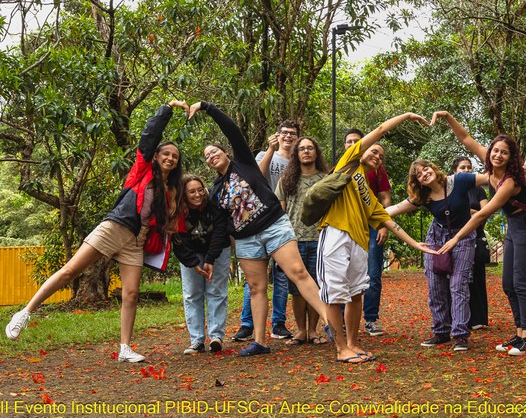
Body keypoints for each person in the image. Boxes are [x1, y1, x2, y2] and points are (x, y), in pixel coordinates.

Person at [6, 101, 188, 363]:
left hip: (136, 239)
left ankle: (125, 347)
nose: (170, 158)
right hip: (115, 227)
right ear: (157, 156)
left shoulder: (170, 190)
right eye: (166, 154)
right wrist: (167, 109)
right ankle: (24, 313)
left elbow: (170, 223)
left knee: (132, 293)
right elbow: (150, 135)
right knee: (71, 271)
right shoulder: (142, 170)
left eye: (175, 156)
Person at [188, 101, 327, 356]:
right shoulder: (216, 191)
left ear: (226, 152)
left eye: (214, 151)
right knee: (256, 288)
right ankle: (260, 342)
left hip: (273, 225)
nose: (211, 156)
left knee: (298, 272)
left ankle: (332, 324)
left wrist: (206, 107)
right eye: (206, 156)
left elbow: (231, 129)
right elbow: (220, 226)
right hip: (246, 239)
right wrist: (209, 258)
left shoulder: (243, 162)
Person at [318, 113, 435, 364]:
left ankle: (352, 343)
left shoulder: (369, 197)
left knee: (357, 293)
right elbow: (381, 127)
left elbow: (388, 221)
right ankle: (341, 348)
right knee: (335, 293)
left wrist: (415, 244)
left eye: (381, 156)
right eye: (374, 151)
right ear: (362, 149)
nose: (377, 156)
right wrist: (407, 116)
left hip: (359, 241)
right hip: (336, 233)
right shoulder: (349, 161)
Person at [432, 111, 526, 356]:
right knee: (507, 283)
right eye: (495, 150)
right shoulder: (490, 168)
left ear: (511, 157)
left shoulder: (510, 182)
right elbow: (466, 138)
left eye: (504, 152)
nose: (498, 155)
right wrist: (448, 116)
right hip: (515, 227)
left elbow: (482, 215)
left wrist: (455, 237)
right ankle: (518, 334)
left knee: (521, 281)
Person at [387, 159, 489, 351]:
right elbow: (394, 209)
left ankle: (460, 335)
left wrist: (517, 171)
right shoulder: (423, 196)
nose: (424, 174)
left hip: (464, 236)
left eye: (425, 169)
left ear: (433, 167)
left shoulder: (459, 180)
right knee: (435, 285)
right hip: (437, 236)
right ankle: (441, 331)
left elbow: (490, 177)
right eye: (419, 174)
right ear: (418, 182)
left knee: (458, 285)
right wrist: (366, 214)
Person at [232, 120, 300, 342]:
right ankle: (247, 324)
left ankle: (278, 323)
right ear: (277, 135)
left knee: (282, 276)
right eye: (284, 133)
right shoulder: (264, 154)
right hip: (259, 220)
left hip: (284, 221)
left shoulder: (298, 161)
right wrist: (271, 150)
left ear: (297, 138)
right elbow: (254, 177)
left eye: (292, 134)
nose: (288, 137)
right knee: (255, 277)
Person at [274, 136, 328, 345]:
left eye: (310, 148)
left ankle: (313, 331)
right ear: (296, 154)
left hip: (319, 237)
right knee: (296, 289)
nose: (306, 152)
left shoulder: (325, 178)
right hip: (292, 240)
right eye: (302, 149)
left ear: (316, 152)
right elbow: (280, 210)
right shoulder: (286, 180)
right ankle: (300, 330)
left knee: (316, 285)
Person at [173, 175, 230, 354]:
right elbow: (178, 240)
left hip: (217, 249)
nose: (197, 195)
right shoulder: (177, 211)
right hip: (191, 252)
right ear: (184, 194)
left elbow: (220, 232)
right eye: (192, 192)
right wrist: (193, 263)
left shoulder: (214, 203)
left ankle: (216, 336)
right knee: (192, 294)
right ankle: (196, 340)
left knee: (216, 290)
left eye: (200, 190)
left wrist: (210, 259)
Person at [342, 129, 391, 337]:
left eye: (357, 141)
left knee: (372, 272)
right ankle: (344, 320)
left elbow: (385, 198)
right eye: (349, 141)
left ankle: (370, 319)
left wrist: (383, 224)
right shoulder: (344, 164)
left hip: (371, 225)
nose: (353, 143)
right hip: (346, 225)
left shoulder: (376, 169)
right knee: (343, 273)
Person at [451, 156, 490, 330]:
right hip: (454, 237)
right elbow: (450, 212)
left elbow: (486, 212)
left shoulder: (478, 190)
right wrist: (474, 213)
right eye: (462, 168)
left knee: (477, 278)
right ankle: (458, 317)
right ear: (454, 172)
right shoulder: (450, 188)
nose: (466, 170)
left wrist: (473, 213)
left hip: (476, 237)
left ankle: (479, 319)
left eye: (469, 167)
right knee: (458, 280)